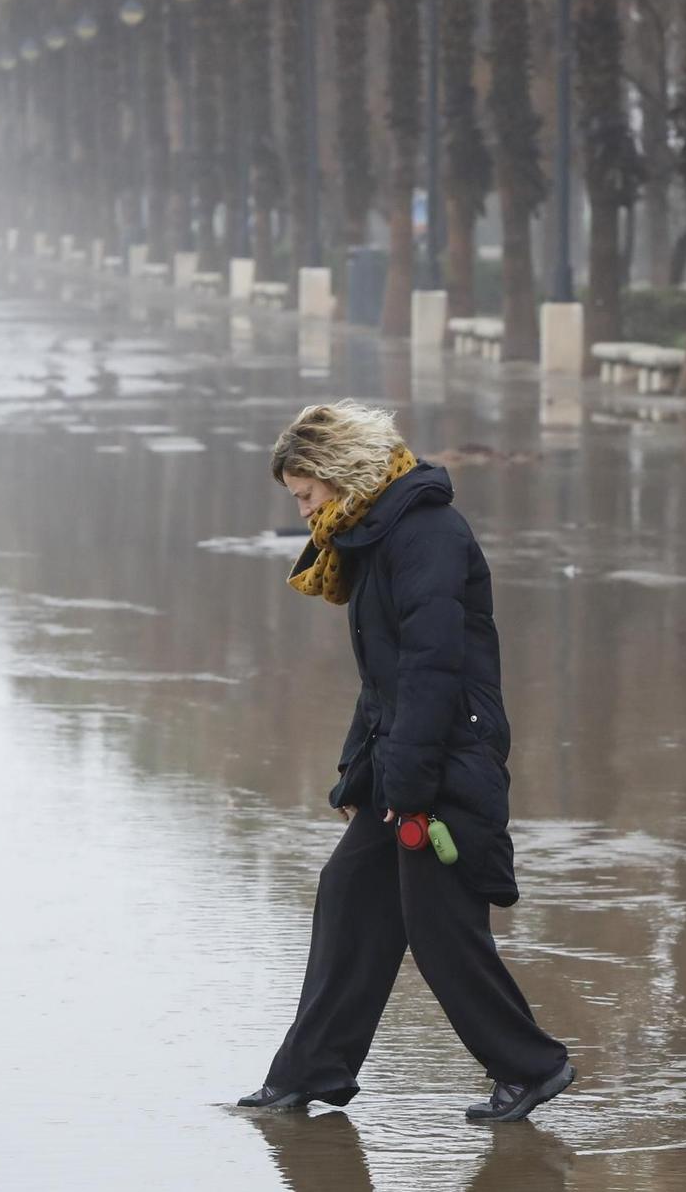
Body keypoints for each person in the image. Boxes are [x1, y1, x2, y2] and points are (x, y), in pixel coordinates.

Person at [239, 401, 573, 1124]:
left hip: (448, 758)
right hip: (409, 759)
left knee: (443, 929)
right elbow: (383, 681)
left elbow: (432, 669)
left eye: (305, 494)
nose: (302, 511)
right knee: (350, 895)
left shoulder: (426, 534)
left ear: (339, 474)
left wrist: (411, 787)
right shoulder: (372, 536)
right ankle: (309, 1070)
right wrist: (358, 778)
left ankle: (533, 1065)